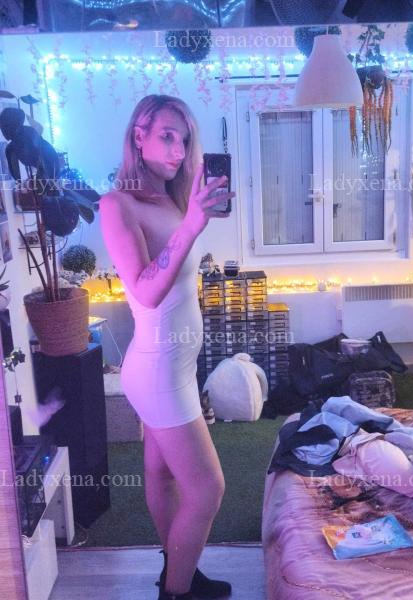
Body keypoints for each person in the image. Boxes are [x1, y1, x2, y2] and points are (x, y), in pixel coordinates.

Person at [100, 95, 234, 600]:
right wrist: (192, 225)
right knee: (208, 489)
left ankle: (179, 570)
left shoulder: (173, 200)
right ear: (139, 136)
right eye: (166, 136)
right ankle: (175, 594)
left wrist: (193, 212)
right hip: (156, 370)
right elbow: (144, 291)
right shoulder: (117, 205)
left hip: (175, 365)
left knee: (162, 474)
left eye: (185, 138)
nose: (178, 150)